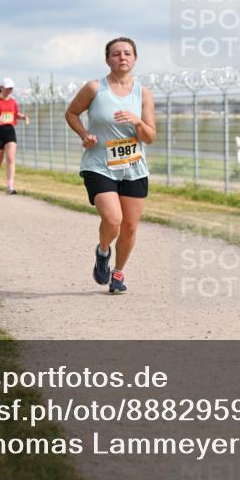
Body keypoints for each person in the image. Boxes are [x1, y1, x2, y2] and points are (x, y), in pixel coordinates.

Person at [64, 37, 156, 295]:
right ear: (107, 60)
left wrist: (138, 121)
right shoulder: (95, 88)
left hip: (133, 167)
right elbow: (71, 113)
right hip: (99, 165)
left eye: (127, 53)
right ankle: (103, 251)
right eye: (116, 54)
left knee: (129, 226)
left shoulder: (143, 93)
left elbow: (150, 137)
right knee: (113, 219)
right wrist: (84, 135)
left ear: (135, 59)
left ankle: (118, 273)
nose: (122, 57)